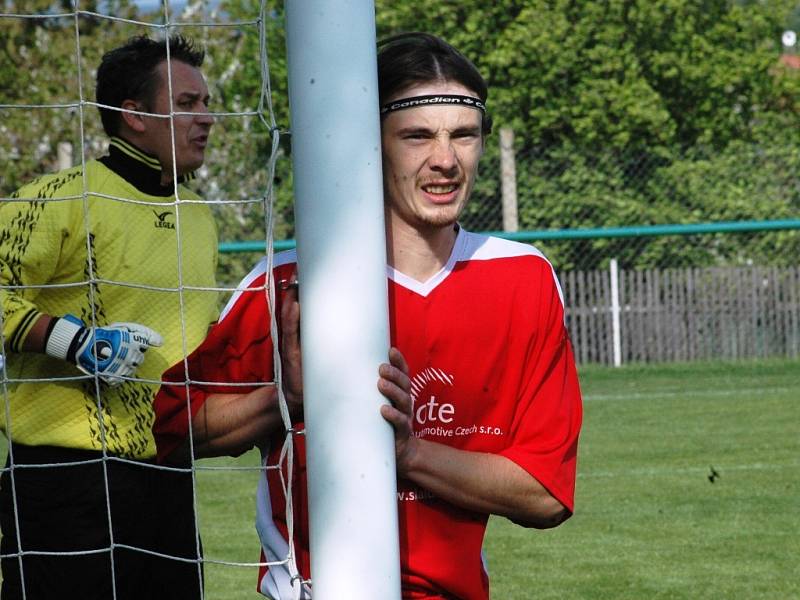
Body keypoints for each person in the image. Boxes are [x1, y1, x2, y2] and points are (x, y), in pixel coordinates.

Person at [153, 32, 582, 600]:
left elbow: (545, 495)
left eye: (464, 136)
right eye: (417, 136)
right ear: (371, 143)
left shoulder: (522, 279)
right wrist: (286, 399)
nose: (446, 160)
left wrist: (407, 453)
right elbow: (166, 431)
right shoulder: (291, 285)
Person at [0, 35, 218, 600]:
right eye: (189, 103)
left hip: (168, 478)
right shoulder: (56, 198)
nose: (208, 117)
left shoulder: (200, 217)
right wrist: (70, 340)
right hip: (61, 479)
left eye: (207, 103)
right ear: (134, 115)